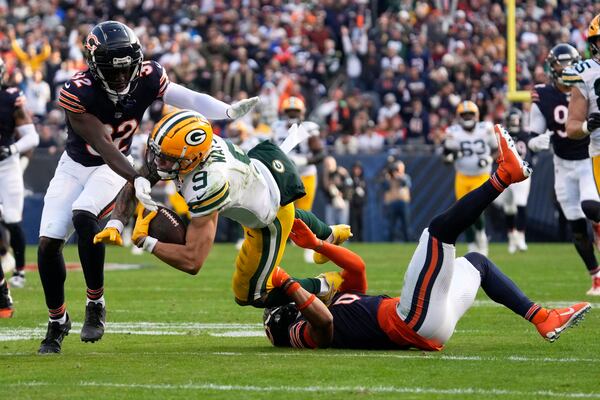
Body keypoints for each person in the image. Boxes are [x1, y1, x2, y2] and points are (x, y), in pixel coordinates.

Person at [36, 21, 259, 354]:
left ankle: (95, 303)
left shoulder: (149, 76)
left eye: (127, 68)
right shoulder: (77, 90)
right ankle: (57, 321)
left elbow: (189, 97)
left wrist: (225, 111)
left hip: (111, 169)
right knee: (48, 244)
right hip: (80, 165)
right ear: (96, 67)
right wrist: (136, 176)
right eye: (114, 70)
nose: (123, 77)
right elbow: (103, 142)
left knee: (84, 216)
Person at [264, 125, 591, 349]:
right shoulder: (301, 329)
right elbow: (322, 328)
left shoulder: (339, 301)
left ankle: (542, 318)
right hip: (410, 321)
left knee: (478, 263)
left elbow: (358, 271)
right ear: (290, 312)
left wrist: (320, 245)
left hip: (430, 323)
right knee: (437, 231)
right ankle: (505, 175)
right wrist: (286, 283)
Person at [94, 110, 352, 314]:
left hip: (269, 215)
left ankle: (326, 284)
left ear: (193, 158)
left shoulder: (208, 182)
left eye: (167, 158)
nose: (157, 163)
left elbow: (193, 261)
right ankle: (328, 234)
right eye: (157, 154)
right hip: (260, 171)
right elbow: (139, 178)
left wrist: (146, 242)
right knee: (283, 212)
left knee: (250, 294)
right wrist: (116, 222)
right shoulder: (197, 148)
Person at [544, 42, 600, 295]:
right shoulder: (545, 94)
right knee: (577, 227)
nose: (563, 68)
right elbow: (567, 126)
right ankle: (596, 277)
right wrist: (536, 138)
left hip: (586, 161)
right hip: (567, 164)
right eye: (559, 63)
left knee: (592, 207)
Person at [0, 57, 39, 316]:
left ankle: (20, 271)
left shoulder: (10, 98)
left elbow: (32, 136)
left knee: (13, 220)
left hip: (6, 165)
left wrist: (12, 148)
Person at [270, 97, 327, 263]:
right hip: (284, 175)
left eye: (295, 112)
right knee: (280, 211)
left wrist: (304, 161)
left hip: (305, 174)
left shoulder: (308, 128)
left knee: (305, 213)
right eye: (289, 112)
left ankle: (310, 247)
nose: (292, 115)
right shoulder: (277, 128)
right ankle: (277, 245)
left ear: (302, 113)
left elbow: (321, 154)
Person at [443, 101, 497, 255]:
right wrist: (453, 155)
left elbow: (497, 150)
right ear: (458, 116)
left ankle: (481, 235)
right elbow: (445, 157)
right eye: (464, 114)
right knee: (463, 212)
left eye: (470, 114)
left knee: (476, 210)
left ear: (477, 115)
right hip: (462, 176)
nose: (467, 117)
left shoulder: (485, 129)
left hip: (481, 176)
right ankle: (472, 244)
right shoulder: (453, 132)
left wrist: (489, 159)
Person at [495, 108, 531, 253]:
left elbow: (531, 152)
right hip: (506, 174)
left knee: (521, 204)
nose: (514, 123)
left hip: (522, 173)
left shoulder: (526, 135)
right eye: (512, 120)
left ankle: (521, 237)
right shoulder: (503, 135)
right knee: (509, 207)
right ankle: (511, 237)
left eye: (516, 120)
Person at [382, 161, 412, 242]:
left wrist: (399, 176)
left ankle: (407, 241)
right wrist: (388, 177)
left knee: (405, 224)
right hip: (393, 203)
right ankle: (390, 242)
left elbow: (406, 184)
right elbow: (385, 187)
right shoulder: (390, 178)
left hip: (403, 203)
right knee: (391, 225)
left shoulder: (405, 177)